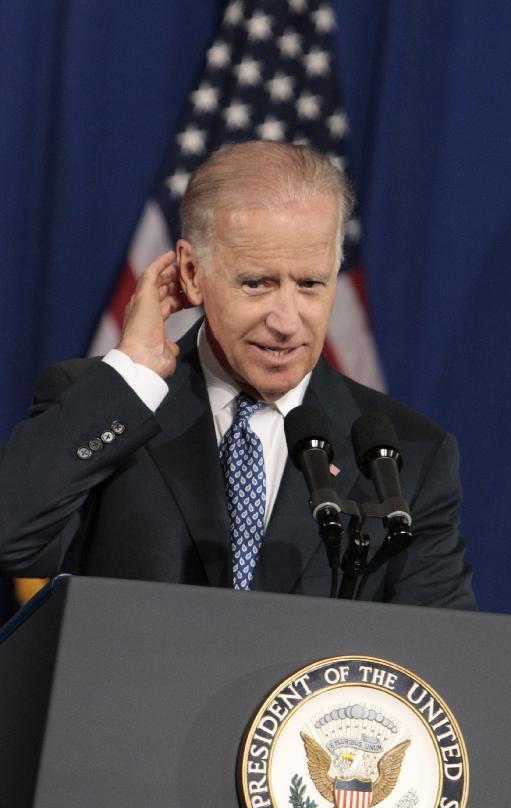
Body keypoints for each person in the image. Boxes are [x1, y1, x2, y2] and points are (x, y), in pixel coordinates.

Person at [0, 141, 475, 609]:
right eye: (257, 283)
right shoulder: (111, 408)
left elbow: (440, 659)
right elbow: (11, 538)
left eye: (310, 284)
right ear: (191, 272)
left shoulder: (409, 456)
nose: (287, 322)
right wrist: (134, 375)